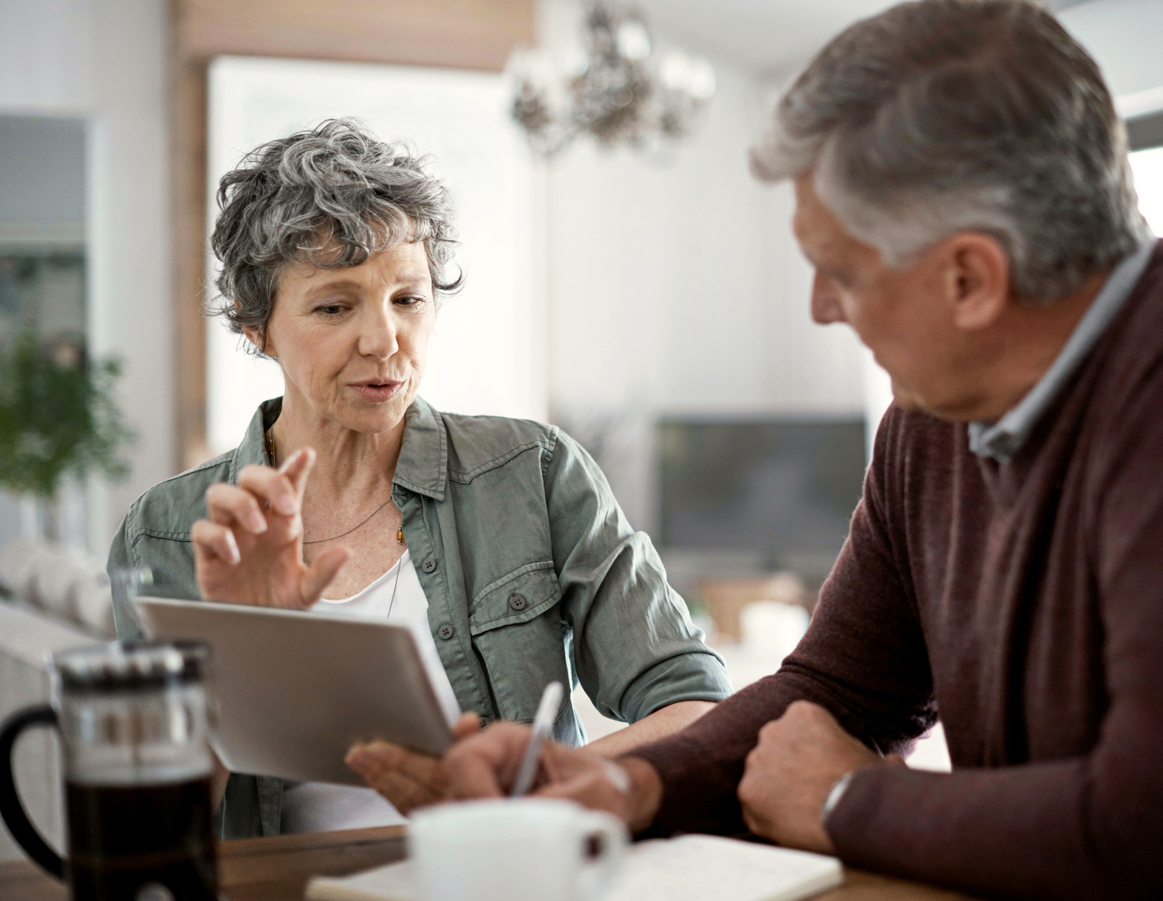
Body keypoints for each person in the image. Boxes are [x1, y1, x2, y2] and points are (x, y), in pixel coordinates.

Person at [430, 2, 1163, 898]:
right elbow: (838, 690)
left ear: (968, 279)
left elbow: (1138, 825)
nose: (821, 306)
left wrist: (850, 800)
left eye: (841, 271)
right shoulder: (931, 422)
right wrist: (627, 783)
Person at [108, 119, 731, 839]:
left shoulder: (532, 471)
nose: (383, 340)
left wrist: (530, 792)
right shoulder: (163, 533)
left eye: (407, 299)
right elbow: (149, 828)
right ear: (256, 325)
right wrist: (243, 650)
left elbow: (698, 705)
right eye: (335, 306)